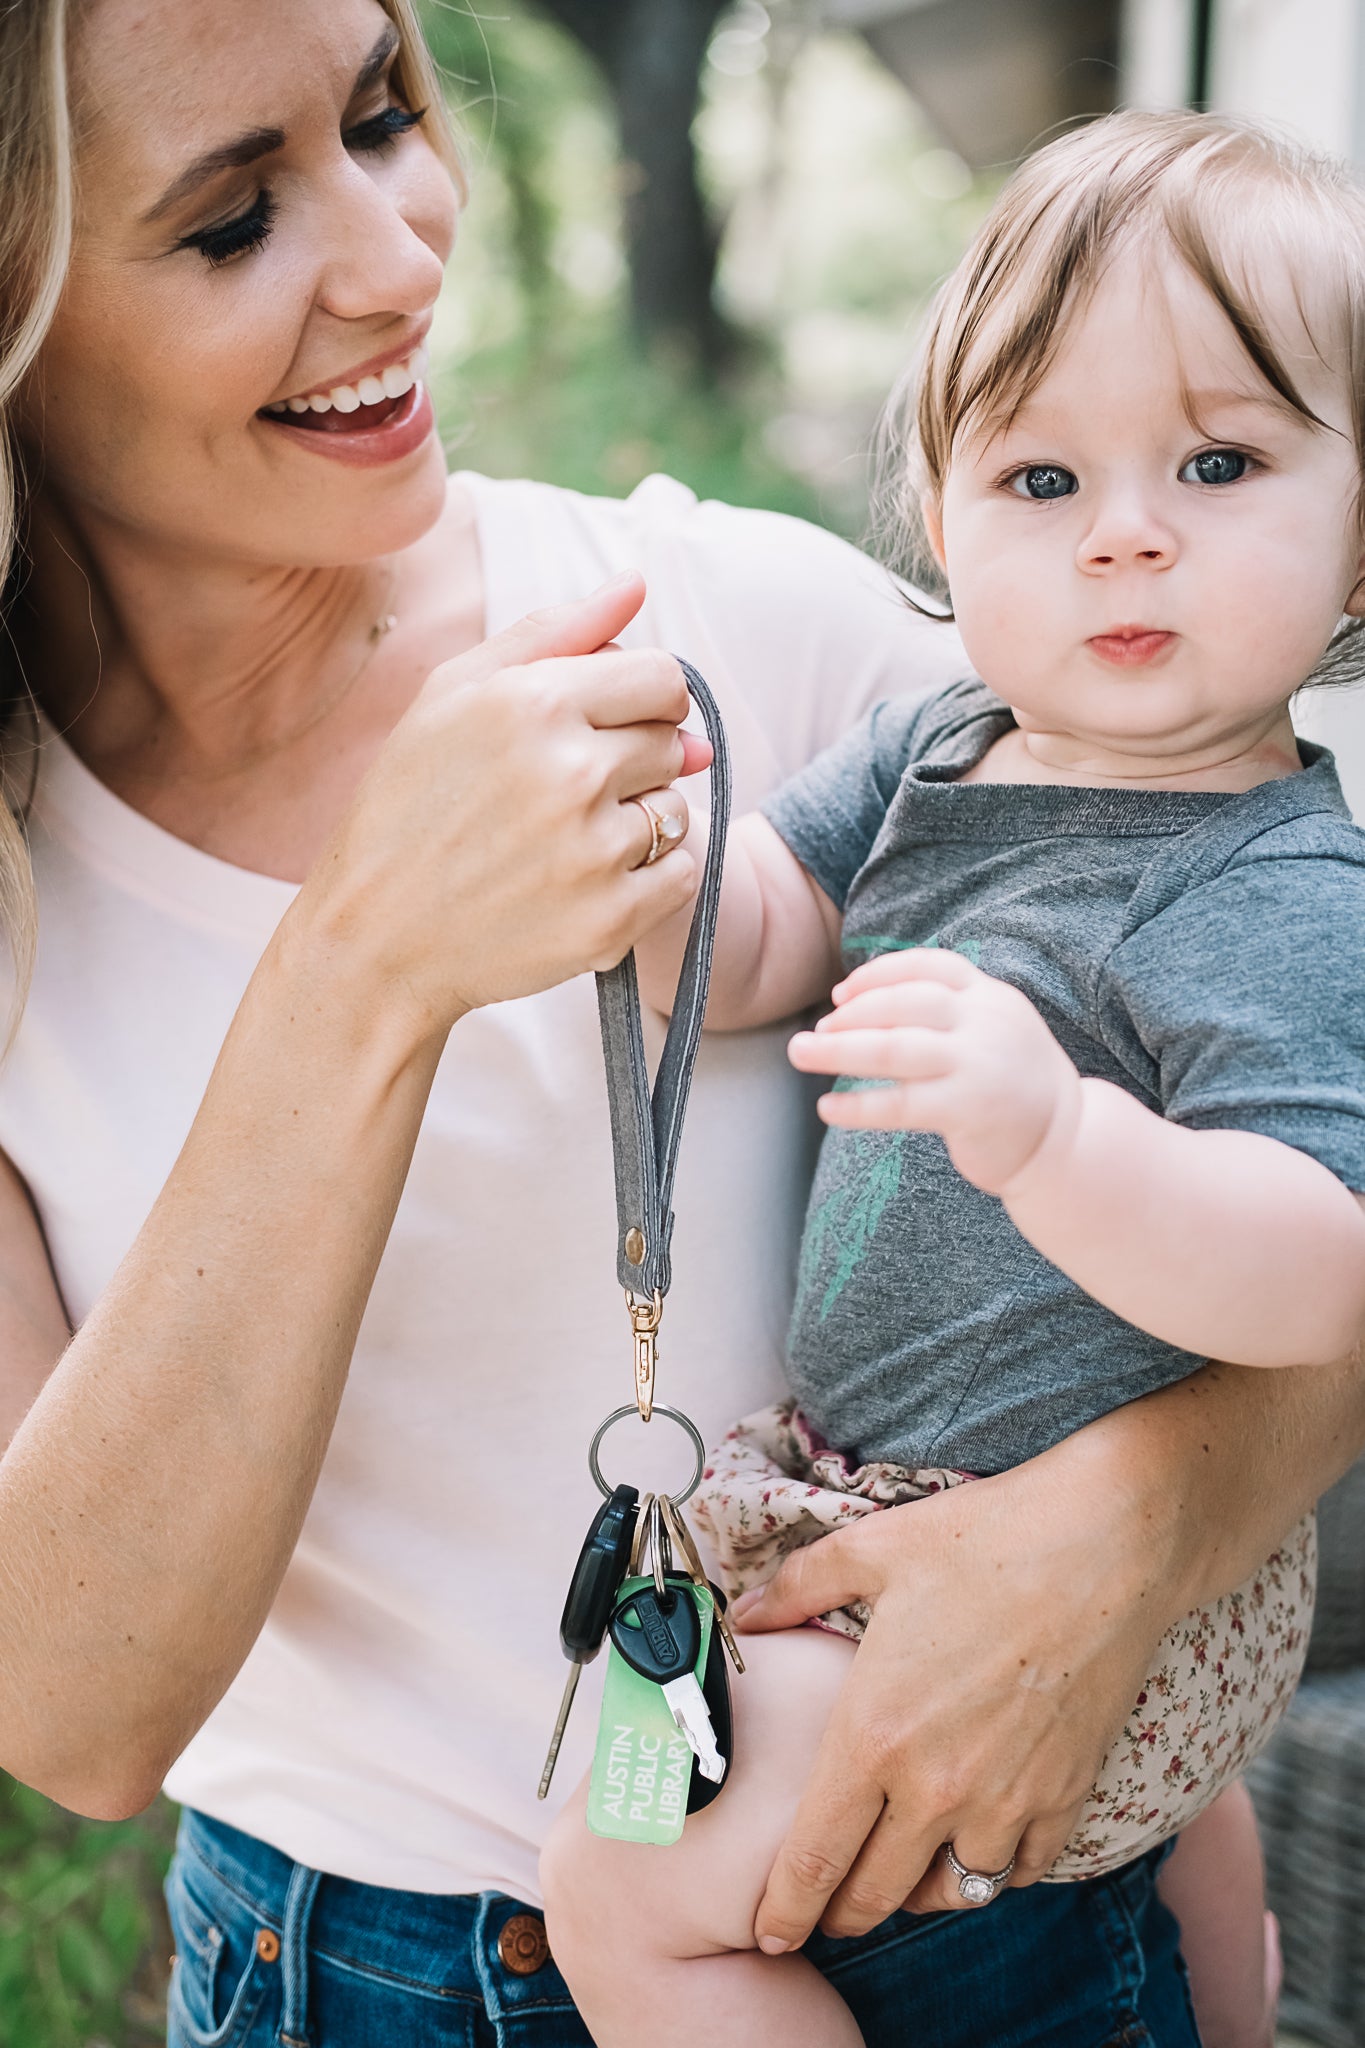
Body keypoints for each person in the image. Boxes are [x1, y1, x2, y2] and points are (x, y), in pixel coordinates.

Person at [0, 5, 1360, 2041]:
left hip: (935, 1914)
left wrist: (1131, 1525)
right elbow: (69, 1705)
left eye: (385, 116)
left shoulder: (740, 636)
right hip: (331, 1982)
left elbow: (1310, 1172)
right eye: (227, 221)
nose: (396, 256)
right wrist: (362, 966)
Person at [541, 110, 1365, 2048]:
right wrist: (653, 853)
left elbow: (1318, 1267)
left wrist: (1059, 1136)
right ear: (934, 511)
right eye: (1039, 474)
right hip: (906, 1491)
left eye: (1217, 462)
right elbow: (760, 940)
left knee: (628, 1886)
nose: (1123, 528)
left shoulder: (1267, 880)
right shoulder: (943, 742)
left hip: (1091, 1564)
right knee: (1174, 1853)